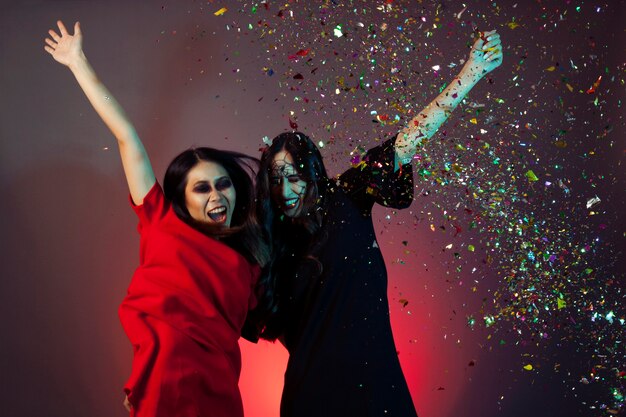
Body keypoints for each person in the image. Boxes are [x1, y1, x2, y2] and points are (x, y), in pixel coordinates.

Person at [246, 31, 503, 416]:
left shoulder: (347, 193)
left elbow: (407, 142)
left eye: (294, 176)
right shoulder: (273, 243)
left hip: (378, 386)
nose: (285, 190)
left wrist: (471, 72)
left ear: (314, 173)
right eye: (276, 179)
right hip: (312, 398)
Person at [44, 21, 269, 417]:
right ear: (181, 198)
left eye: (223, 185)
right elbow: (127, 136)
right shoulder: (161, 220)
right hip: (164, 384)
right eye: (202, 188)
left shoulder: (249, 260)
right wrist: (77, 62)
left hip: (218, 392)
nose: (217, 195)